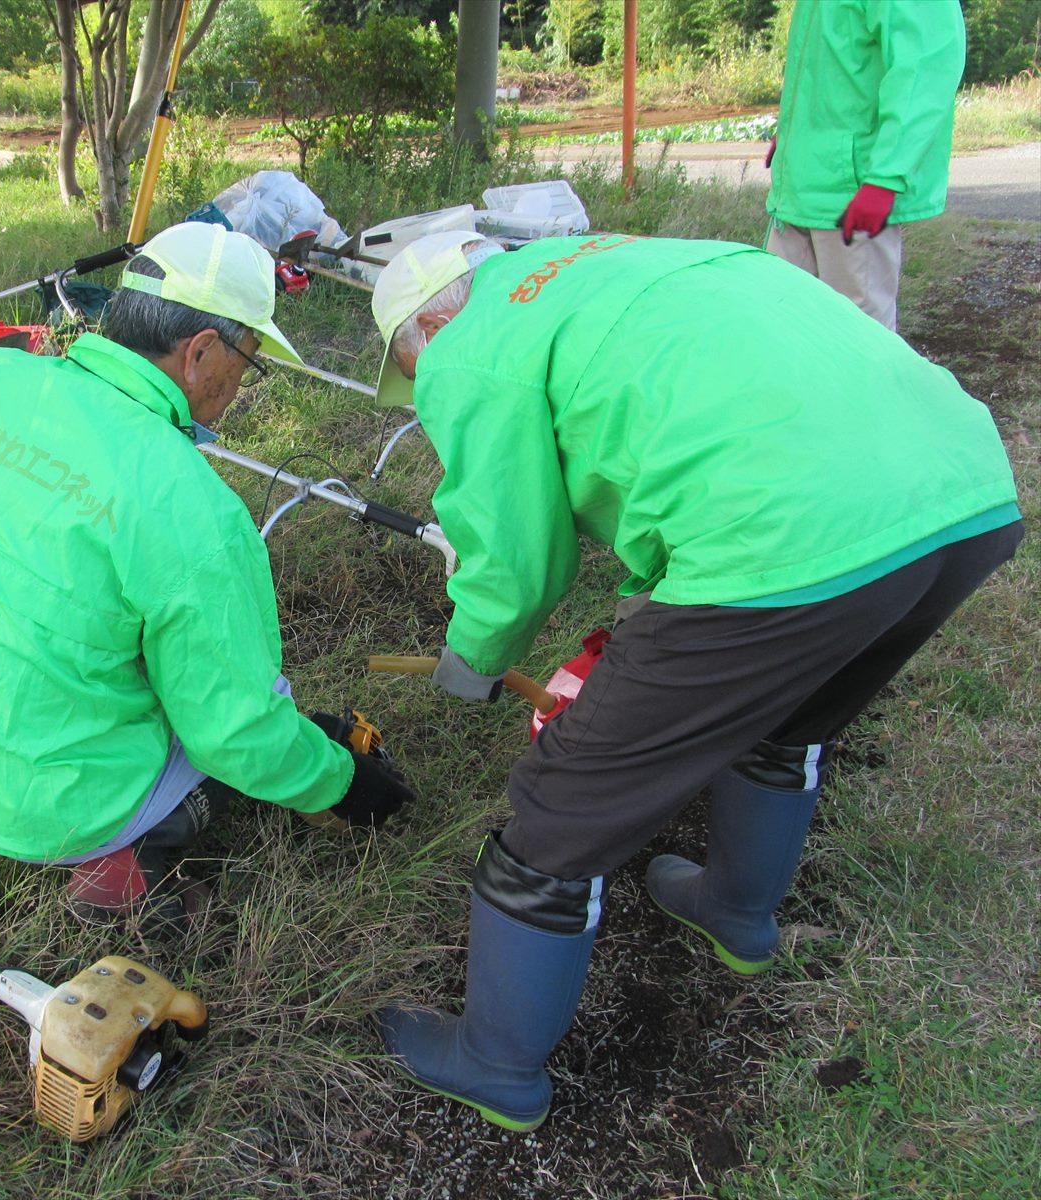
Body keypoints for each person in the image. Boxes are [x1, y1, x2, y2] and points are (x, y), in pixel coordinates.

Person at [367, 230, 1021, 1132]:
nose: (423, 381)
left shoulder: (473, 346)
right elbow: (708, 435)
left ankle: (495, 1064)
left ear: (431, 322)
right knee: (784, 719)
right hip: (963, 496)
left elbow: (515, 562)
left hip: (788, 543)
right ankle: (736, 915)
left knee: (561, 809)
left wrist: (472, 662)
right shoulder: (640, 258)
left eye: (411, 362)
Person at [0, 223, 416, 929]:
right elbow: (234, 732)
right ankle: (121, 872)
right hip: (77, 806)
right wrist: (344, 783)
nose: (242, 384)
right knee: (213, 726)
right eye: (250, 358)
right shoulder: (189, 503)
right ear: (200, 353)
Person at [765, 0, 965, 330]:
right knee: (785, 330)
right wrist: (793, 132)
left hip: (853, 192)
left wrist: (885, 178)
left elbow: (926, 67)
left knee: (859, 339)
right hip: (800, 190)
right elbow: (836, 63)